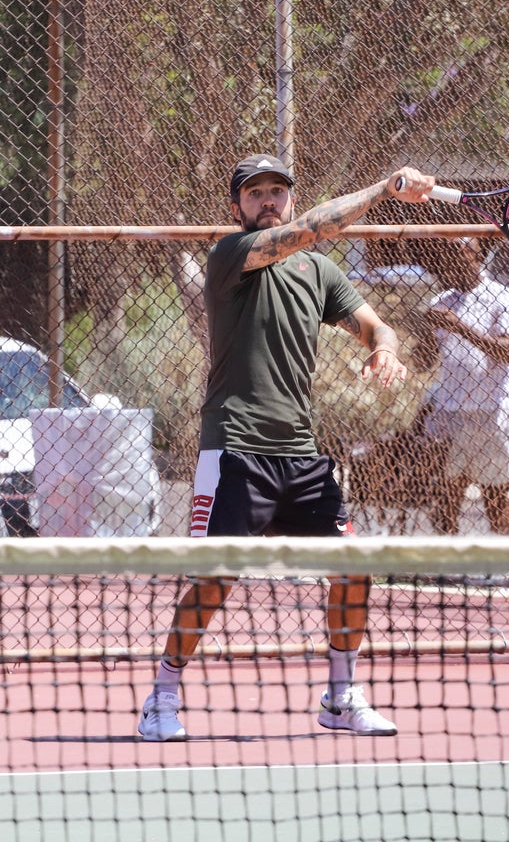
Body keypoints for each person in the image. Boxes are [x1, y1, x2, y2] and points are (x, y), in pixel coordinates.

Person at [138, 153, 435, 741]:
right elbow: (317, 228)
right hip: (233, 451)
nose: (268, 201)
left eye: (278, 191)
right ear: (237, 206)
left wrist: (385, 348)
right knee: (214, 580)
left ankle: (341, 696)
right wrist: (382, 189)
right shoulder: (230, 256)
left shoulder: (320, 272)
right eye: (255, 194)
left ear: (290, 196)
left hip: (301, 456)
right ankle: (162, 697)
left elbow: (377, 325)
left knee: (353, 570)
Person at [420, 236, 509, 536]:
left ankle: (506, 573)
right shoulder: (441, 301)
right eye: (446, 254)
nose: (451, 260)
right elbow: (423, 362)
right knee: (447, 496)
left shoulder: (502, 297)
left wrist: (460, 327)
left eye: (459, 252)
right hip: (450, 411)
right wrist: (428, 331)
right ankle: (448, 571)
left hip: (490, 411)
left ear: (475, 256)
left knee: (494, 496)